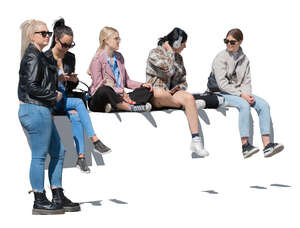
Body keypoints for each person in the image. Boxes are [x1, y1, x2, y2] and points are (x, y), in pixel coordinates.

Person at [18, 19, 80, 215]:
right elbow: (30, 87)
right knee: (39, 156)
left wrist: (59, 80)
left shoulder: (39, 56)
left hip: (42, 110)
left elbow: (41, 81)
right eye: (43, 33)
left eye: (48, 33)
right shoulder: (32, 56)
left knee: (59, 151)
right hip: (34, 109)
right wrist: (54, 95)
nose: (47, 36)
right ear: (31, 36)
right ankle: (39, 199)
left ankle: (57, 194)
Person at [45, 18, 111, 174]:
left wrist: (73, 81)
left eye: (70, 45)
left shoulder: (70, 58)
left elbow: (70, 86)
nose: (67, 48)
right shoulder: (45, 58)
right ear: (56, 40)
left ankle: (81, 158)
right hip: (51, 101)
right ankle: (94, 140)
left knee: (75, 115)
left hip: (64, 100)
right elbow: (43, 83)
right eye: (64, 44)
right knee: (78, 105)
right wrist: (58, 79)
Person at [208, 28, 284, 158]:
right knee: (243, 104)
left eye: (232, 42)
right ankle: (245, 146)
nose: (228, 44)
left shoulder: (245, 60)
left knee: (264, 105)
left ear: (240, 42)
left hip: (239, 92)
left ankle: (267, 145)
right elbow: (222, 84)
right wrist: (241, 95)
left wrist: (247, 94)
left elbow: (246, 81)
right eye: (226, 41)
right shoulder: (220, 58)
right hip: (220, 92)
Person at [146, 27, 209, 157]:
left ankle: (196, 141)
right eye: (184, 43)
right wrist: (170, 52)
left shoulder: (179, 58)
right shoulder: (154, 53)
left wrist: (179, 87)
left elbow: (183, 80)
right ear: (176, 43)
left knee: (189, 97)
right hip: (156, 94)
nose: (185, 46)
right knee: (161, 93)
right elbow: (168, 70)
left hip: (170, 94)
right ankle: (188, 107)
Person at [88, 27, 153, 113]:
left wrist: (142, 84)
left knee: (146, 90)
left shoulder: (119, 57)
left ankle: (115, 106)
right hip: (100, 98)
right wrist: (121, 91)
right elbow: (98, 86)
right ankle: (129, 107)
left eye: (119, 38)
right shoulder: (97, 59)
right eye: (116, 38)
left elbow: (127, 81)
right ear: (106, 40)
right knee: (105, 90)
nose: (119, 41)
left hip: (119, 96)